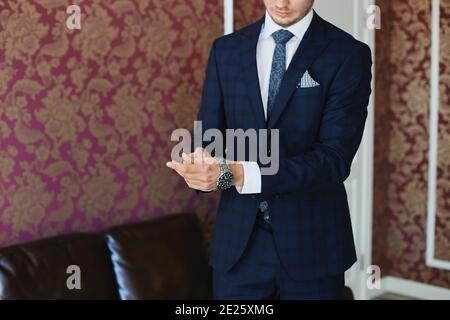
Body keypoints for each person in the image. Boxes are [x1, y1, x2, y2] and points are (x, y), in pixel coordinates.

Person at [167, 0, 372, 300]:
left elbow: (334, 160)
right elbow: (210, 138)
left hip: (313, 244)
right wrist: (200, 165)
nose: (282, 2)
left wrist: (240, 173)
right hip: (238, 246)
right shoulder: (226, 50)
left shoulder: (348, 54)